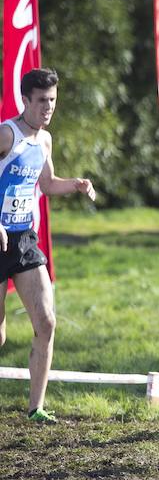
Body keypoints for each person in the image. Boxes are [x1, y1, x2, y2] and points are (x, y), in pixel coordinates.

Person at [0, 68, 96, 423]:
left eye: (53, 101)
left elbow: (48, 183)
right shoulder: (6, 134)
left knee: (47, 321)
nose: (48, 108)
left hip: (24, 240)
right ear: (25, 100)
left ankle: (35, 408)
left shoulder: (45, 140)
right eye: (42, 101)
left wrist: (76, 184)